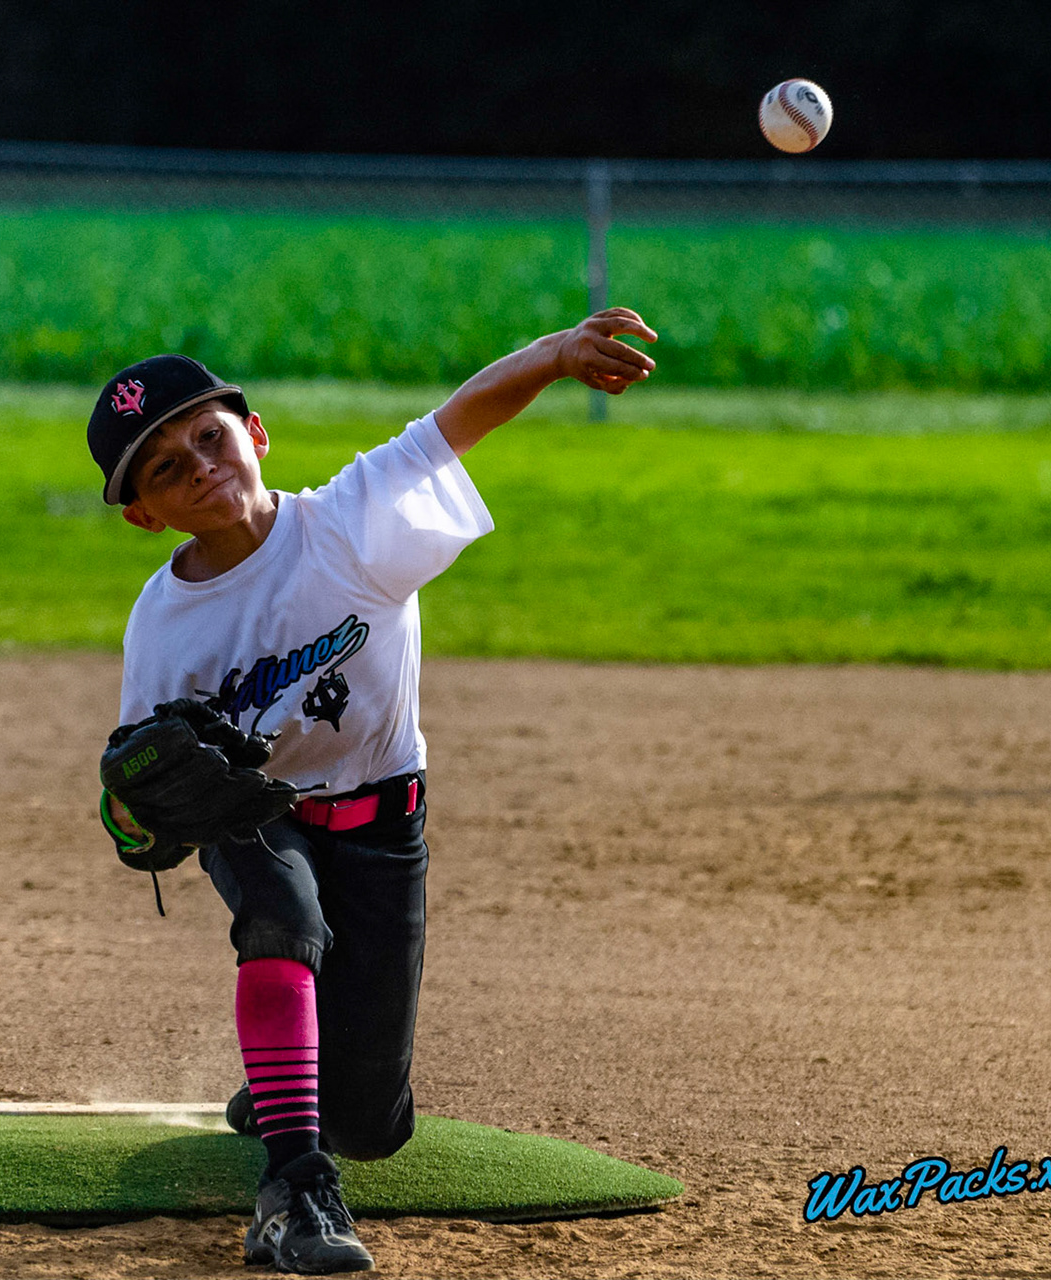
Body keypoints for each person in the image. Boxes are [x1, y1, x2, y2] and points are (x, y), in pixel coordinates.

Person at [88, 309, 657, 1274]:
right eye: (165, 468)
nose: (199, 465)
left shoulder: (345, 526)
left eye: (208, 436)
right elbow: (137, 777)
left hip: (385, 819)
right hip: (259, 818)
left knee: (374, 1124)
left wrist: (556, 355)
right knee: (283, 918)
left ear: (254, 432)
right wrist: (133, 814)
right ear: (143, 513)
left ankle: (289, 1092)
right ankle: (293, 1187)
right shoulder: (164, 622)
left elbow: (455, 421)